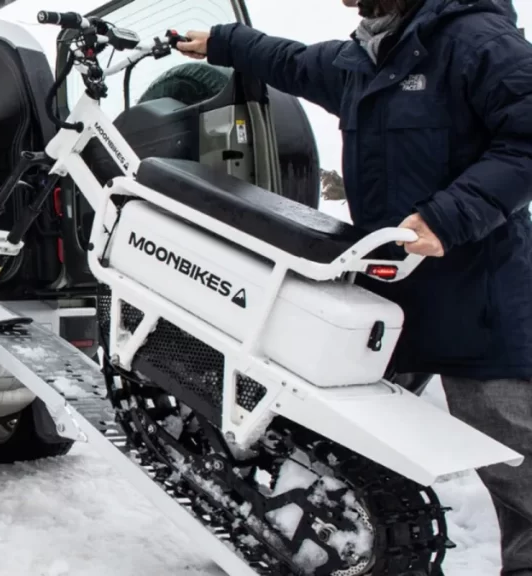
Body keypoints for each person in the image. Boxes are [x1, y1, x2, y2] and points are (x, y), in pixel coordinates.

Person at [174, 0, 532, 573]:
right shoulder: (365, 56)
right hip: (386, 298)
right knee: (334, 440)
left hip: (477, 298)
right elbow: (290, 61)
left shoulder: (476, 40)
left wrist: (451, 215)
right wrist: (221, 40)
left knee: (519, 469)